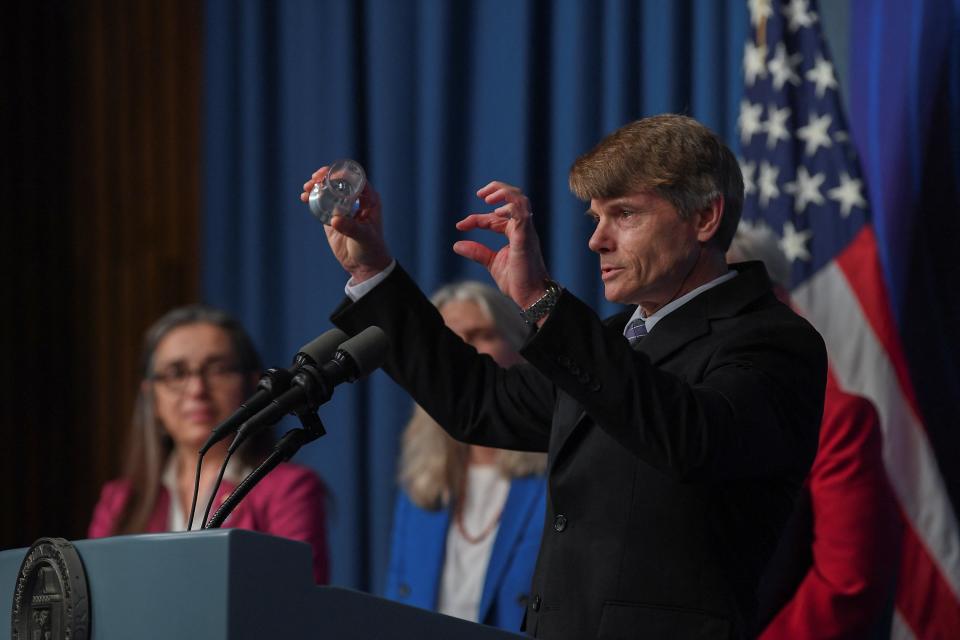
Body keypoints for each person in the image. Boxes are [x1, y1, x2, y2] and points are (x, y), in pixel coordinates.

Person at [302, 114, 827, 638]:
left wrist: (540, 302)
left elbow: (688, 436)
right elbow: (480, 403)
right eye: (594, 219)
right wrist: (372, 270)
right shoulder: (615, 339)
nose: (597, 241)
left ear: (705, 218)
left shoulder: (771, 339)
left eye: (624, 215)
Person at [728, 225, 902, 638]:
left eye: (730, 298)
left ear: (780, 303)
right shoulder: (669, 416)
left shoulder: (836, 420)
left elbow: (847, 585)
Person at [88, 304, 330, 584]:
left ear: (253, 385)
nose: (197, 390)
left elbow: (296, 601)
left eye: (218, 370)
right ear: (152, 397)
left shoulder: (289, 490)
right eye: (176, 373)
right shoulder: (120, 501)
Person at [384, 281, 547, 630]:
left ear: (519, 348)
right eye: (450, 339)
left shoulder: (557, 478)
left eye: (481, 335)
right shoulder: (421, 482)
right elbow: (395, 606)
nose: (462, 352)